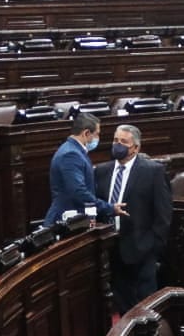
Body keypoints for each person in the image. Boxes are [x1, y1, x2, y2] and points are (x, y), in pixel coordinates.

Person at [94, 124, 173, 313]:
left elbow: (163, 214)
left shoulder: (153, 171)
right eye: (115, 140)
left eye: (123, 142)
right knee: (123, 307)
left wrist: (153, 247)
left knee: (146, 311)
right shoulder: (101, 171)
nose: (117, 145)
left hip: (141, 250)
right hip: (111, 249)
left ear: (136, 148)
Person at [42, 112, 124, 225]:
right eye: (96, 134)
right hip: (66, 220)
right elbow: (78, 192)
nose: (98, 138)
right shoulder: (71, 154)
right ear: (86, 133)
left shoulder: (74, 150)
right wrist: (108, 208)